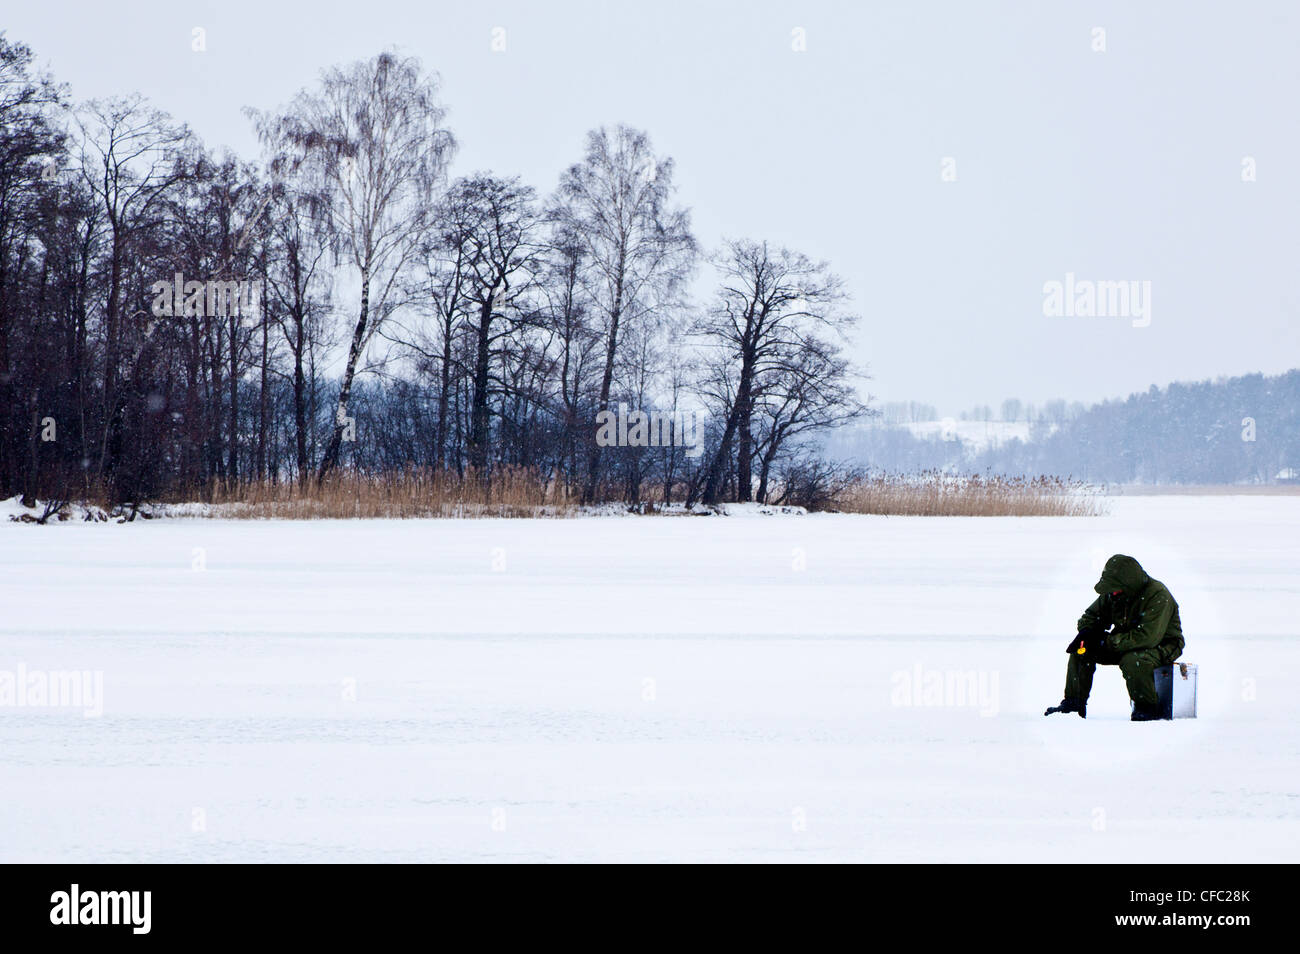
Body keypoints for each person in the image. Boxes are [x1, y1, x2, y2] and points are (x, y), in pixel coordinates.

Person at [1044, 554, 1184, 721]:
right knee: (1081, 649)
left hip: (1162, 645)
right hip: (1124, 642)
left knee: (1134, 660)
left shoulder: (1158, 595)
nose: (1112, 592)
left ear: (1129, 584)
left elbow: (1147, 638)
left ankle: (1147, 708)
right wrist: (1088, 634)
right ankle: (1074, 704)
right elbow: (1090, 616)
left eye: (1115, 588)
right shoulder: (1115, 592)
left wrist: (1107, 642)